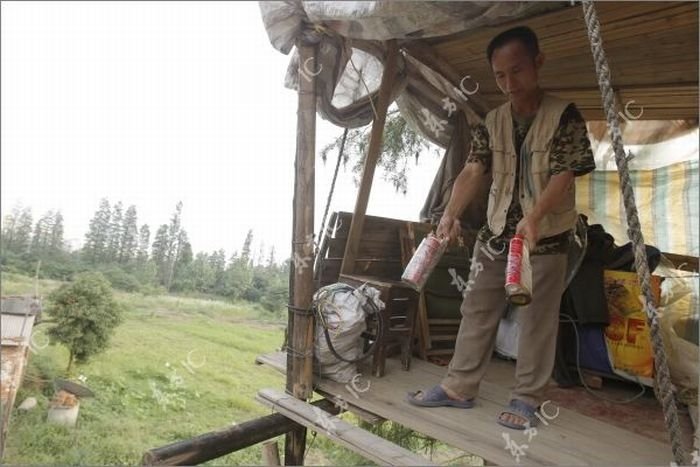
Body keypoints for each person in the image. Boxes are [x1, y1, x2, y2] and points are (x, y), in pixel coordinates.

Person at [407, 25, 595, 430]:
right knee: (476, 307)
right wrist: (450, 213)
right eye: (499, 76)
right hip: (494, 237)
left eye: (517, 70)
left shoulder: (565, 115)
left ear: (538, 63)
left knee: (537, 318)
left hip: (545, 239)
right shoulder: (491, 120)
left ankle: (526, 399)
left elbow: (565, 174)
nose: (509, 83)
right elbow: (474, 169)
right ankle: (459, 387)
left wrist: (535, 217)